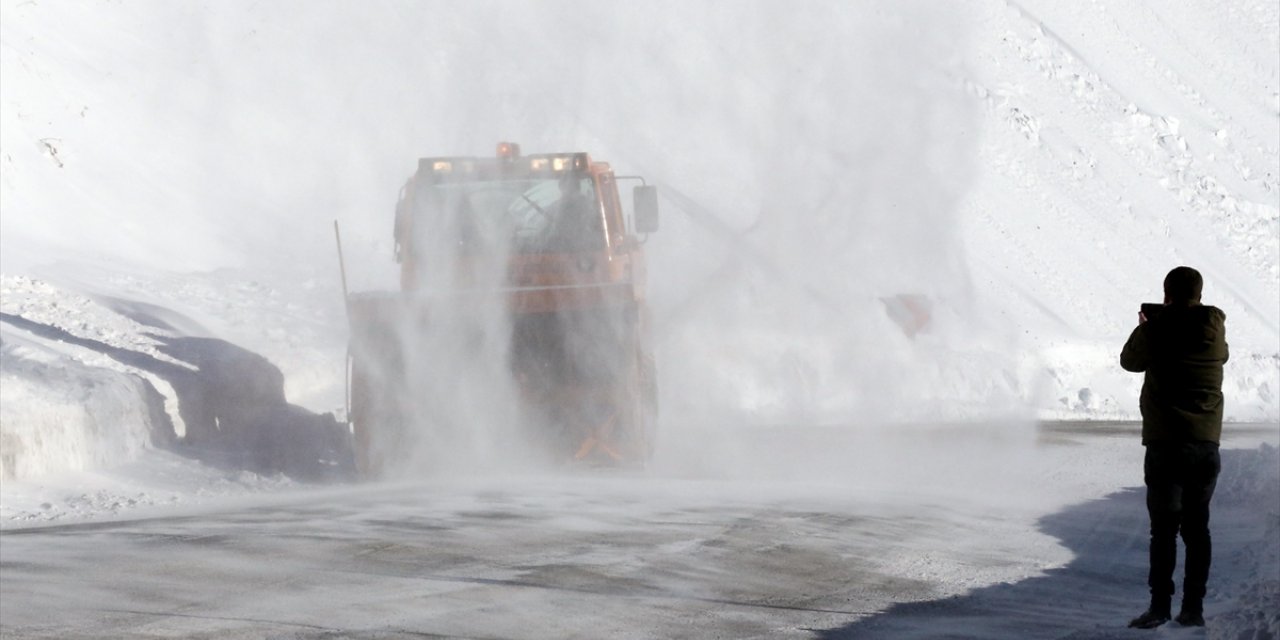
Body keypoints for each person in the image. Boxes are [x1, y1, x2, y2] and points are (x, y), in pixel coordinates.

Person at [1120, 266, 1229, 629]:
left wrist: (1145, 325)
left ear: (1166, 293)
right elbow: (1222, 353)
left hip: (1166, 445)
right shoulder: (1214, 331)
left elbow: (1129, 362)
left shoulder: (1156, 329)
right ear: (1199, 293)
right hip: (1205, 446)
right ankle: (1193, 609)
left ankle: (1160, 607)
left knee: (1163, 531)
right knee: (1198, 530)